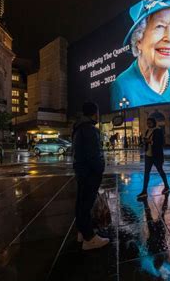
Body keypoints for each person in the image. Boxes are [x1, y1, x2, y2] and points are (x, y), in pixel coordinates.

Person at [72, 101, 109, 250]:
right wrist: (100, 169)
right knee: (86, 204)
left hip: (81, 170)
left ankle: (82, 231)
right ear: (94, 113)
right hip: (89, 173)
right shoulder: (90, 129)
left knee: (81, 203)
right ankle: (89, 238)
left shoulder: (78, 127)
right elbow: (94, 155)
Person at [137, 117, 170, 200]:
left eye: (150, 123)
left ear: (154, 123)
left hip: (156, 155)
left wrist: (150, 141)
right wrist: (143, 143)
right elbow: (147, 141)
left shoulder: (158, 131)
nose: (148, 124)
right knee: (146, 173)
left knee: (160, 170)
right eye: (147, 123)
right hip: (148, 155)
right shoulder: (148, 131)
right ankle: (144, 191)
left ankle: (166, 186)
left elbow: (161, 142)